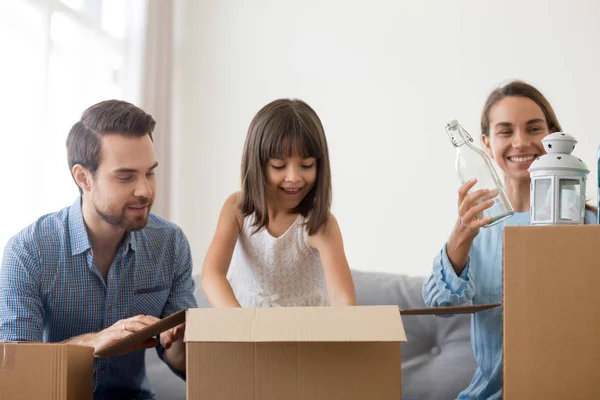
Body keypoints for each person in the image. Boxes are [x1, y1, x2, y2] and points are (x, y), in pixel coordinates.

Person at [0, 100, 197, 400]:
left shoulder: (170, 244)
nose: (145, 190)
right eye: (125, 176)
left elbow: (181, 360)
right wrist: (93, 344)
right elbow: (14, 370)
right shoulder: (28, 251)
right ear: (83, 178)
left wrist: (183, 344)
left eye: (150, 173)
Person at [422, 80, 597, 399]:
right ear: (486, 144)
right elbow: (440, 306)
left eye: (534, 129)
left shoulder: (589, 225)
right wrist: (460, 237)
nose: (521, 142)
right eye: (506, 131)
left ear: (552, 138)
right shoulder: (476, 231)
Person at [201, 98, 356, 308]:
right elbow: (212, 275)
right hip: (246, 326)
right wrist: (243, 325)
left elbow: (342, 299)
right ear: (258, 165)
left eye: (307, 165)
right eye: (279, 166)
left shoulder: (320, 224)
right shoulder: (236, 208)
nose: (293, 177)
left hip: (305, 332)